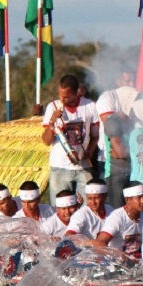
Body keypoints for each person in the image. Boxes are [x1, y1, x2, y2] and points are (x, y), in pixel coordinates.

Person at [41, 74, 100, 204]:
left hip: (83, 167)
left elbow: (95, 136)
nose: (62, 99)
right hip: (60, 166)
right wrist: (52, 121)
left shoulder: (90, 106)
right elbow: (46, 141)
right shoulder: (53, 107)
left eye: (66, 96)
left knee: (88, 208)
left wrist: (89, 152)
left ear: (76, 92)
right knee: (60, 208)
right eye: (59, 95)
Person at [95, 71, 140, 207]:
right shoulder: (108, 97)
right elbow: (108, 121)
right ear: (118, 81)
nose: (132, 85)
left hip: (132, 167)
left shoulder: (136, 97)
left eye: (133, 81)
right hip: (111, 163)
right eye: (128, 81)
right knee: (116, 209)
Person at [94, 180, 143, 260]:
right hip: (117, 265)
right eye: (139, 198)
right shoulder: (117, 217)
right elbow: (99, 243)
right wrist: (117, 254)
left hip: (138, 264)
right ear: (127, 200)